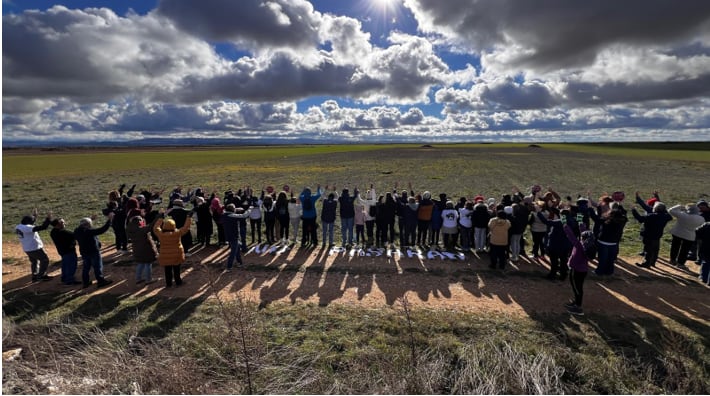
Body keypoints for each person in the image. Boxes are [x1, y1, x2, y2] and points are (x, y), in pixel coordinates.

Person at [153, 209, 193, 288]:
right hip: (176, 254)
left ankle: (169, 284)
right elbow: (186, 228)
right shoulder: (177, 233)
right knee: (176, 269)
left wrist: (161, 218)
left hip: (165, 255)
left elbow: (155, 228)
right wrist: (188, 217)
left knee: (167, 270)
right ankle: (178, 281)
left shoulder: (161, 234)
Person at [74, 213, 115, 288]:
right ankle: (100, 281)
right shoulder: (88, 231)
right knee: (97, 267)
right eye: (90, 224)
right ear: (87, 225)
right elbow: (101, 230)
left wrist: (90, 219)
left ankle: (85, 282)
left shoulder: (77, 231)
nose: (91, 225)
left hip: (84, 252)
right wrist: (109, 220)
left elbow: (84, 224)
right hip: (93, 252)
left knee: (86, 268)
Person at [589, 202, 628, 276]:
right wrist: (620, 206)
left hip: (603, 242)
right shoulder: (622, 221)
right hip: (614, 243)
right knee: (611, 259)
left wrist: (590, 208)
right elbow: (625, 214)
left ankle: (599, 272)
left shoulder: (605, 220)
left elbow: (595, 218)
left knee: (602, 259)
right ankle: (609, 272)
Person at [631, 201, 672, 268]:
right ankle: (652, 263)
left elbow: (640, 219)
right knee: (655, 250)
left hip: (649, 235)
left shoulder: (651, 216)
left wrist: (633, 210)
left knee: (648, 250)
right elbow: (670, 217)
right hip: (657, 235)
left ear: (656, 208)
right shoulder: (666, 216)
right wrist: (664, 209)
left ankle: (646, 264)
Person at [16, 210, 53, 282]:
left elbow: (30, 224)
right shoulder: (28, 228)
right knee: (45, 260)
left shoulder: (18, 226)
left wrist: (34, 217)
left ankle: (35, 276)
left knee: (34, 262)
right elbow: (43, 227)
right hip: (35, 248)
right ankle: (41, 276)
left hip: (27, 248)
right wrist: (48, 219)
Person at [563, 222, 591, 315]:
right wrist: (581, 223)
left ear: (583, 239)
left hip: (576, 270)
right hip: (582, 270)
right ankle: (576, 302)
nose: (580, 237)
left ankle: (578, 308)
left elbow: (570, 235)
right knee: (578, 287)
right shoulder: (588, 245)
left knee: (577, 288)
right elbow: (583, 232)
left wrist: (564, 223)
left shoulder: (579, 246)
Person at [537, 207, 571, 280]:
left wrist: (538, 213)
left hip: (555, 245)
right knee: (564, 261)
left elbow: (546, 222)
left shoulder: (559, 222)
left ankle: (552, 275)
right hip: (566, 245)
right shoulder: (572, 221)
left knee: (554, 261)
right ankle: (563, 275)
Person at [668, 203, 705, 270]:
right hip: (690, 235)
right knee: (685, 250)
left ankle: (672, 260)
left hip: (677, 232)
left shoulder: (682, 215)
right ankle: (681, 263)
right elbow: (700, 225)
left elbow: (670, 210)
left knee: (675, 247)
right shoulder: (701, 218)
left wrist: (679, 206)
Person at [126, 214, 158, 284]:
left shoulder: (130, 229)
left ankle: (138, 278)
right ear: (138, 221)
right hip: (145, 250)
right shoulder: (141, 230)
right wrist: (158, 216)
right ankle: (148, 279)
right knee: (148, 264)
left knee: (140, 264)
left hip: (136, 249)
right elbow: (151, 226)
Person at [222, 204, 252, 271]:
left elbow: (231, 211)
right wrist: (250, 209)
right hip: (234, 236)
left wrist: (237, 209)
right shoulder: (232, 216)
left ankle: (240, 263)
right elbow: (244, 216)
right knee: (233, 252)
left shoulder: (224, 215)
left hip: (228, 236)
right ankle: (229, 267)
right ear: (232, 210)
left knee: (237, 249)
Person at [50, 218, 79, 285]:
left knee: (65, 265)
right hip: (69, 251)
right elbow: (75, 235)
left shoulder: (53, 232)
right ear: (58, 224)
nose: (64, 223)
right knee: (71, 266)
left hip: (62, 251)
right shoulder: (63, 232)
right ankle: (69, 280)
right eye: (62, 222)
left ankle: (64, 278)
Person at [695, 220, 710, 285]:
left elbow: (697, 231)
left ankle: (704, 278)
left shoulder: (707, 224)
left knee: (706, 261)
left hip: (706, 246)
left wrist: (700, 239)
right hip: (706, 245)